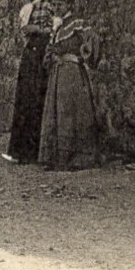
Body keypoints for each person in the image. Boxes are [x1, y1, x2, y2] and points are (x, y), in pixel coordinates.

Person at [4, 0, 70, 163]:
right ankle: (21, 151)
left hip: (42, 53)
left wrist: (37, 30)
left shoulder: (48, 5)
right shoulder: (29, 7)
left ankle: (36, 151)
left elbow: (57, 29)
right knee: (25, 98)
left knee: (37, 99)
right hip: (31, 54)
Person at [39, 16, 102, 171]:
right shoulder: (57, 28)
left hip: (72, 74)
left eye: (60, 3)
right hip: (57, 74)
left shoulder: (77, 24)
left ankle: (77, 158)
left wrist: (80, 57)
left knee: (72, 112)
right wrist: (52, 57)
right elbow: (49, 52)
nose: (57, 7)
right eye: (54, 4)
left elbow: (92, 39)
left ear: (68, 3)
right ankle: (56, 158)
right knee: (56, 112)